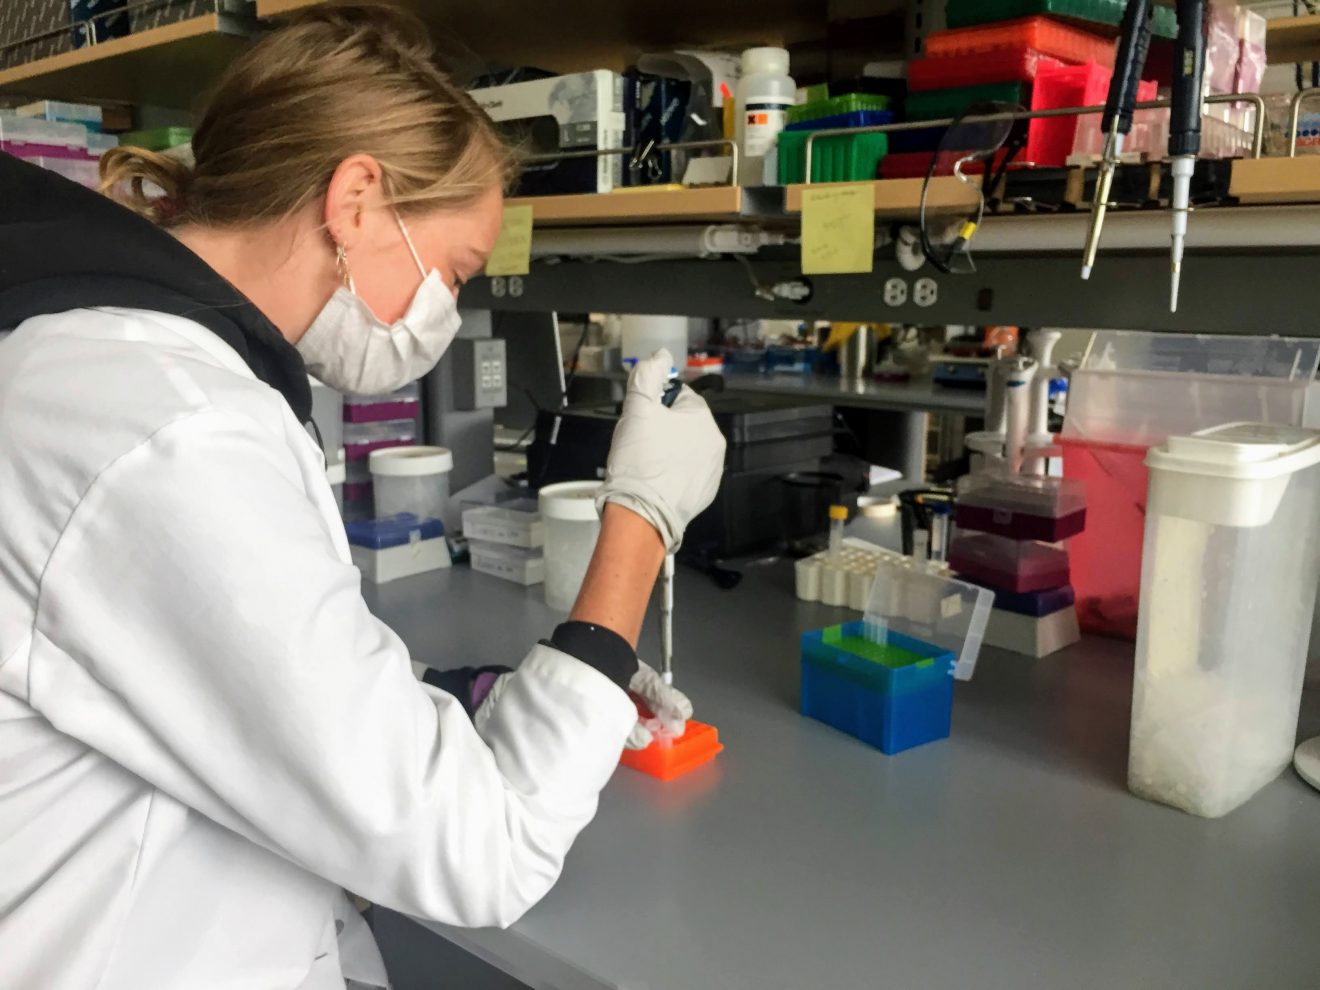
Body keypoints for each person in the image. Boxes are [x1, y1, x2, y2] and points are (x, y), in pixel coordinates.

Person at [0, 6, 725, 988]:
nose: (448, 311)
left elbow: (229, 676)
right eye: (455, 270)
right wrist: (642, 519)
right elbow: (483, 848)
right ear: (355, 200)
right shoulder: (170, 431)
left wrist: (463, 698)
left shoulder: (120, 362)